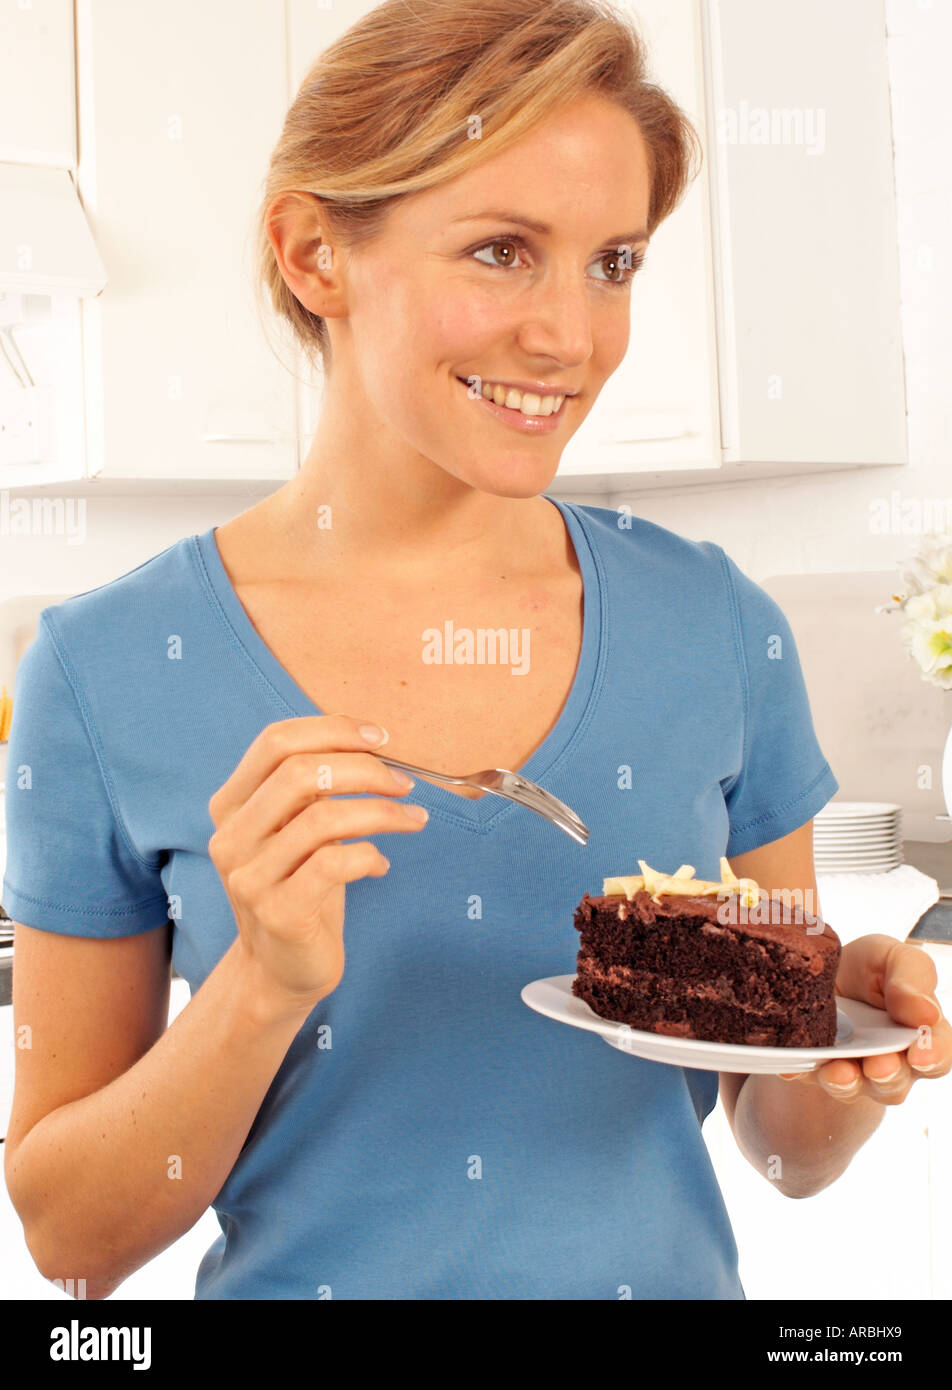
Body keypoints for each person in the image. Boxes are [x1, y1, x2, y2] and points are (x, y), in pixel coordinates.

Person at [3, 0, 948, 1302]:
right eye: (504, 250)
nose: (571, 334)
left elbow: (780, 1148)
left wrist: (845, 1058)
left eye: (613, 262)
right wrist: (261, 986)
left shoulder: (715, 624)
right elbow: (71, 1237)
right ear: (314, 254)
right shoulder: (104, 672)